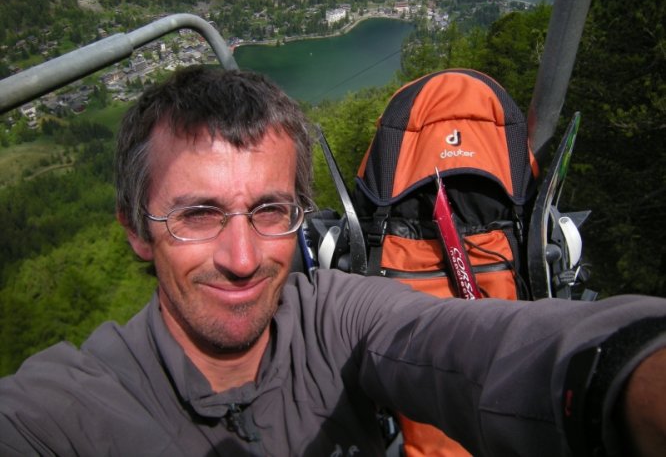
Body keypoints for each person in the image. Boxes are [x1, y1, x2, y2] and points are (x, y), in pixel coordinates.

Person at [1, 65, 664, 457]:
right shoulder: (69, 408)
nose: (242, 258)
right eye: (197, 215)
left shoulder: (334, 319)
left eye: (269, 210)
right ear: (138, 233)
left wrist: (628, 373)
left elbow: (476, 348)